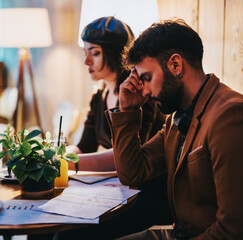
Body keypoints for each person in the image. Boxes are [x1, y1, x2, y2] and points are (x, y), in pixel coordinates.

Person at [108, 19, 243, 239]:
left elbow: (235, 231)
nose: (143, 91)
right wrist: (126, 110)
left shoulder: (234, 118)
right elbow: (133, 173)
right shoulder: (179, 118)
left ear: (175, 65)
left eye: (147, 78)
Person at [57, 17, 172, 239]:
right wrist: (56, 155)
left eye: (95, 52)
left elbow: (130, 157)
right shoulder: (99, 97)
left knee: (71, 231)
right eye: (85, 52)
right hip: (116, 189)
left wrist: (66, 163)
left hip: (144, 195)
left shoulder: (139, 97)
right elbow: (84, 145)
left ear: (116, 54)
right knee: (51, 218)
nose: (87, 61)